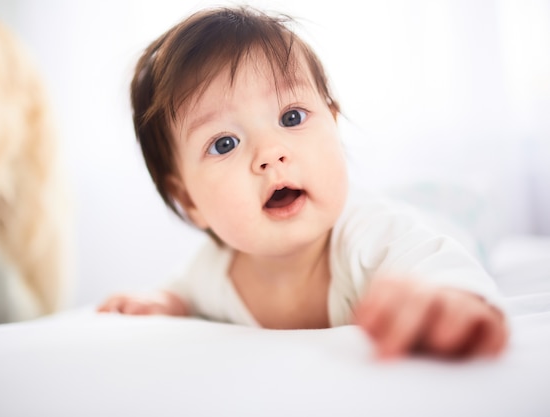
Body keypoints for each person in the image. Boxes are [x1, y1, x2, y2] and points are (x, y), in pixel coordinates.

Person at [98, 5, 508, 359]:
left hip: (448, 220)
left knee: (449, 219)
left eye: (291, 117)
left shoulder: (371, 234)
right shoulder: (213, 272)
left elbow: (436, 262)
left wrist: (448, 300)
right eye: (224, 143)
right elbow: (183, 290)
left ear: (333, 123)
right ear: (189, 200)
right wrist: (165, 302)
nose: (270, 153)